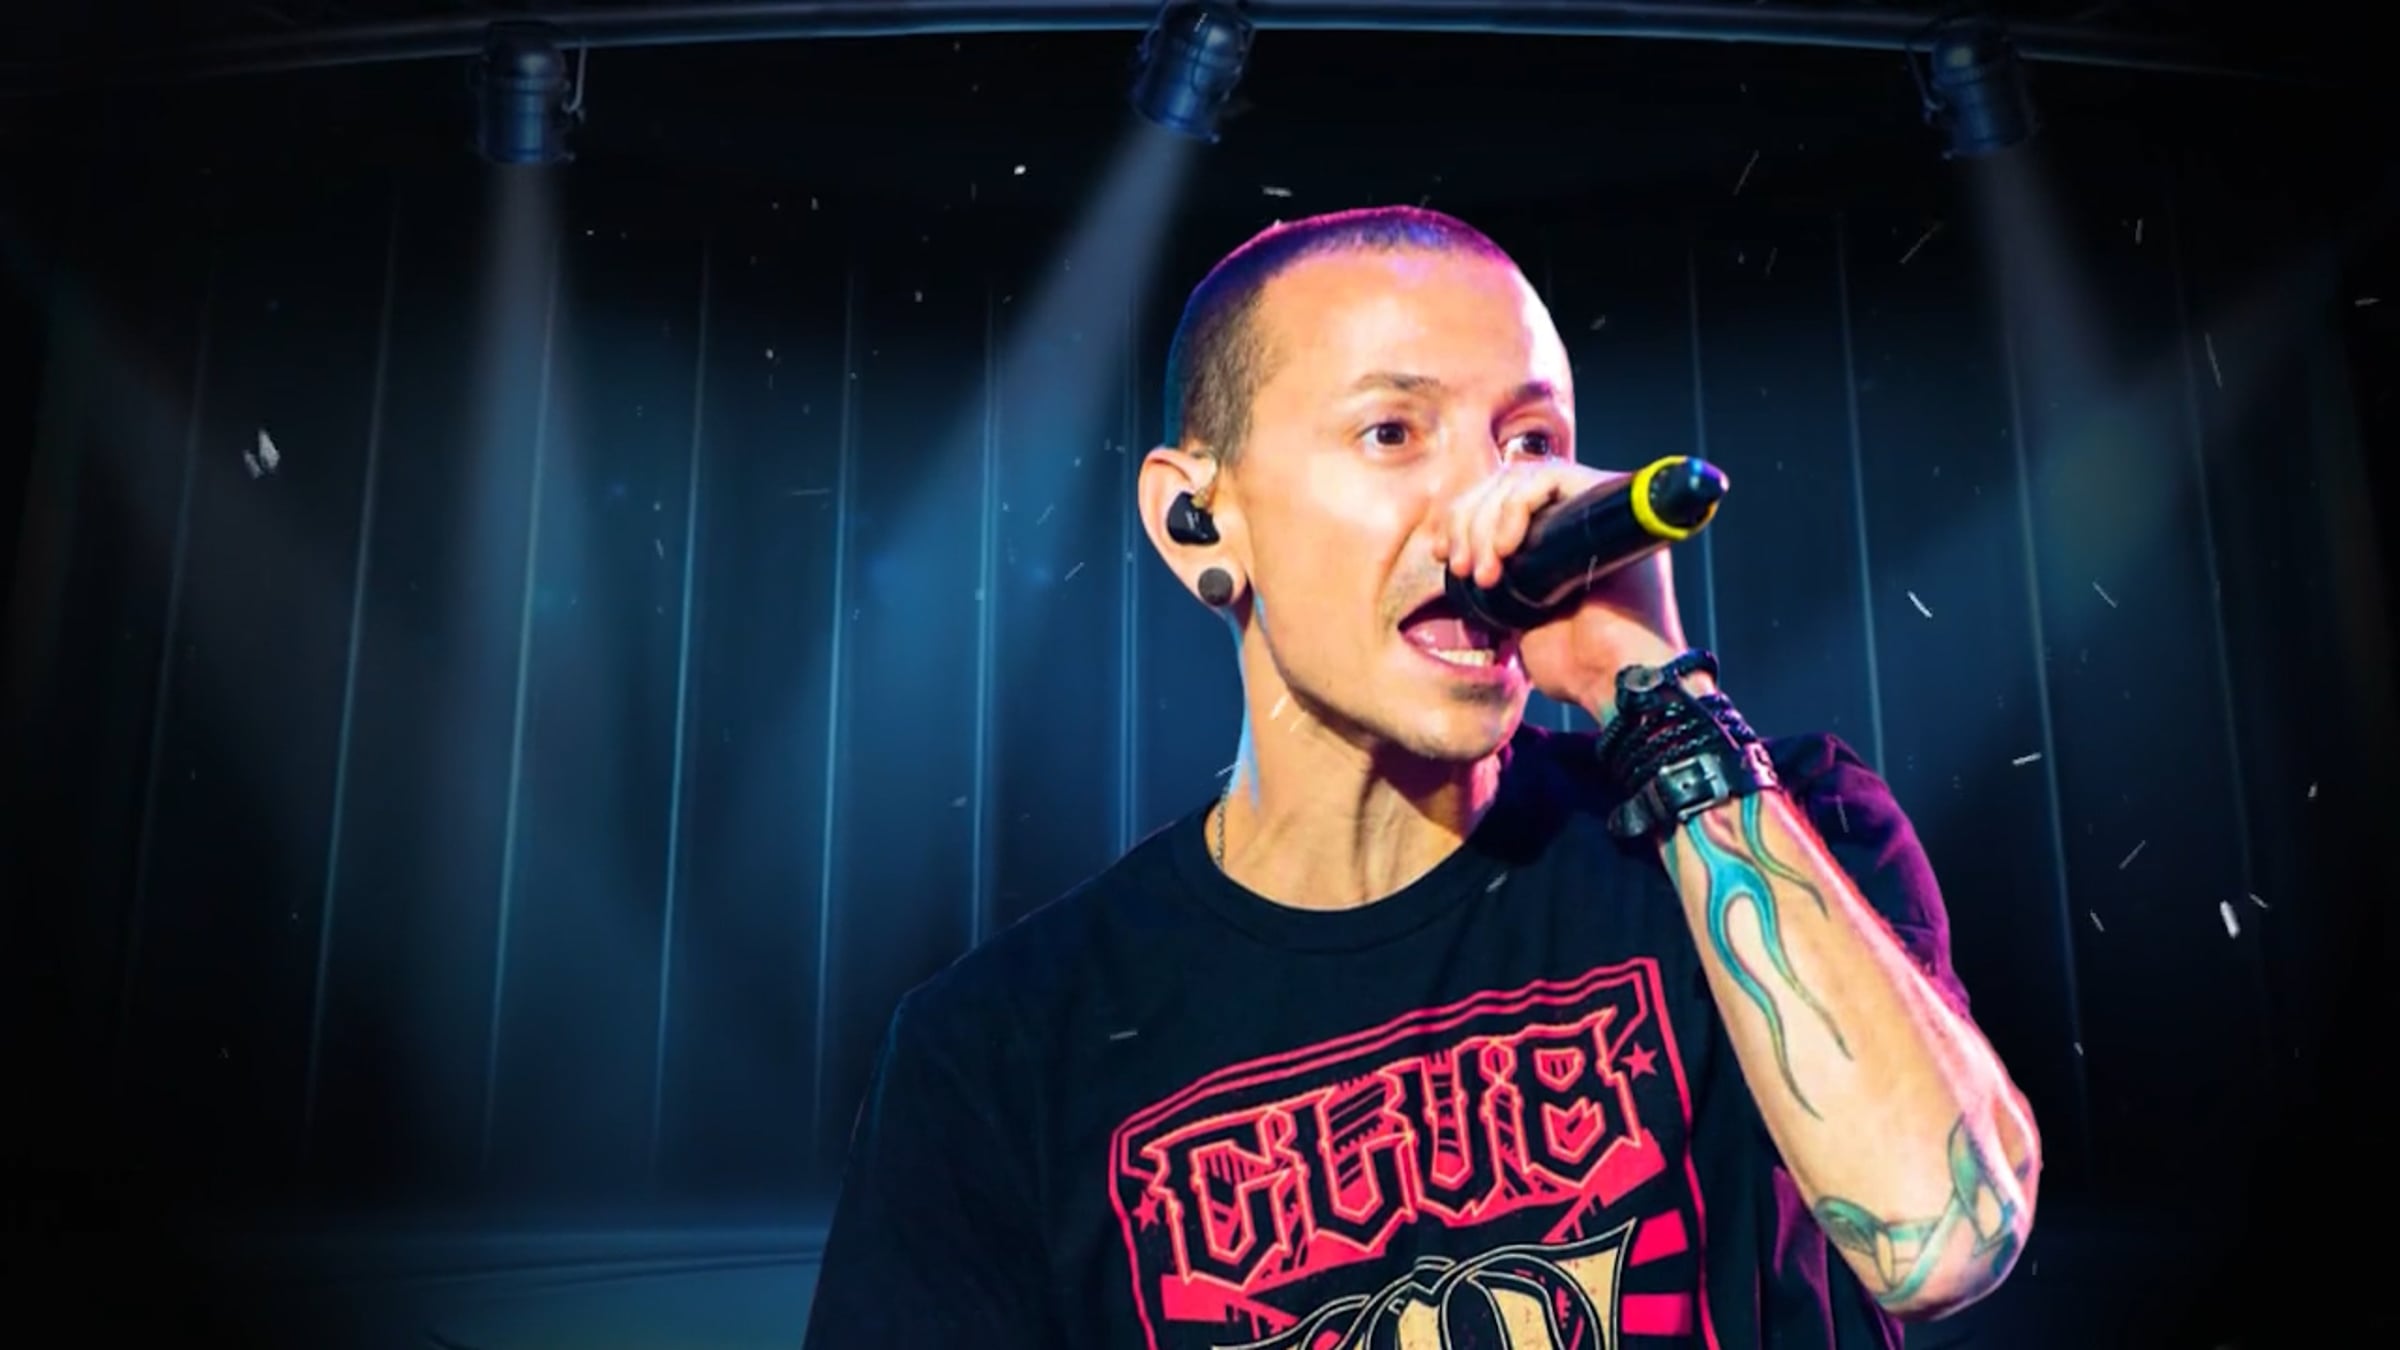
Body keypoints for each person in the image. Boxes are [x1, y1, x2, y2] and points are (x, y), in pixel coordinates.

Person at [801, 205, 2039, 1349]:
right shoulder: (1002, 1052)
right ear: (1199, 519)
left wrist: (1652, 690)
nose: (1482, 504)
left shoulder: (1768, 833)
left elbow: (1941, 1241)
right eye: (1392, 433)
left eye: (1529, 440)